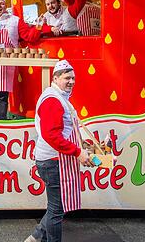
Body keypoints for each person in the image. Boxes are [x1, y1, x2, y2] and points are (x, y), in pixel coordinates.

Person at [25, 60, 95, 242]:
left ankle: (35, 237)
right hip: (52, 161)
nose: (71, 81)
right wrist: (78, 152)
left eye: (73, 78)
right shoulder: (53, 101)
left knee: (56, 206)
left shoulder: (58, 96)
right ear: (55, 78)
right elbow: (52, 136)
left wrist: (82, 147)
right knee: (57, 209)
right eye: (67, 78)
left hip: (55, 159)